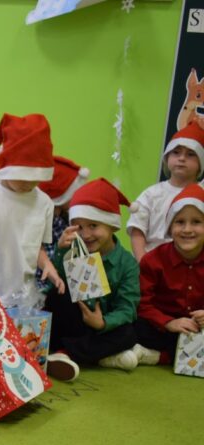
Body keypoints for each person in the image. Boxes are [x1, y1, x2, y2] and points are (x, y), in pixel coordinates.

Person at [0, 113, 65, 308]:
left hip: (19, 300)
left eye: (35, 179)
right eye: (22, 176)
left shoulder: (45, 203)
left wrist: (47, 265)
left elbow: (36, 247)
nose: (28, 184)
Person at [41, 179, 141, 380]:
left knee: (129, 333)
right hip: (73, 323)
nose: (85, 234)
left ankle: (64, 354)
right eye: (79, 227)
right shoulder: (72, 250)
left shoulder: (127, 263)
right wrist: (60, 251)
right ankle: (100, 356)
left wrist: (103, 323)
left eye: (93, 226)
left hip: (103, 329)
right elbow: (53, 286)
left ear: (112, 227)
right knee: (56, 296)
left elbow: (127, 308)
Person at [133, 183, 204, 363]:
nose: (187, 230)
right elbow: (143, 304)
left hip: (199, 328)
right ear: (170, 227)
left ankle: (159, 357)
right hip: (162, 328)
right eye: (180, 222)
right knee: (132, 327)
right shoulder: (152, 260)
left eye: (196, 222)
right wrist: (167, 322)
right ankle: (172, 355)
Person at [127, 120, 204, 261]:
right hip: (152, 263)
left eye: (190, 154)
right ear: (167, 158)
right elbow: (137, 230)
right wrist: (144, 263)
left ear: (201, 163)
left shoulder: (202, 194)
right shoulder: (151, 194)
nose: (182, 158)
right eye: (176, 153)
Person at [38, 155, 90, 263]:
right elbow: (43, 259)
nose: (80, 198)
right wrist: (60, 248)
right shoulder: (46, 222)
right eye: (75, 193)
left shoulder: (63, 215)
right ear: (61, 198)